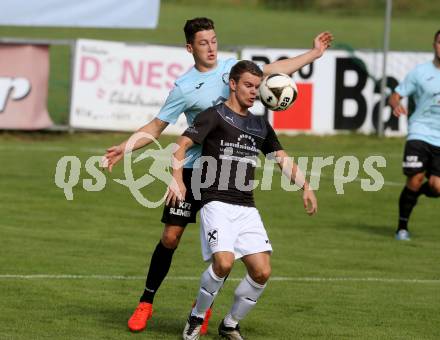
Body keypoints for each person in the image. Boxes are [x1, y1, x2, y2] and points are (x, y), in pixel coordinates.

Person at [103, 17, 332, 333]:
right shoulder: (184, 88)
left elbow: (276, 70)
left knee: (225, 255)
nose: (211, 47)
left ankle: (204, 311)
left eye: (213, 40)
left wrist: (314, 53)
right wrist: (125, 147)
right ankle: (146, 301)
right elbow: (157, 127)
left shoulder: (231, 70)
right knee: (170, 237)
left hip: (224, 177)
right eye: (203, 43)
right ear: (190, 48)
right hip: (190, 171)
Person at [166, 60, 317, 340]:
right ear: (233, 84)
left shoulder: (260, 125)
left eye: (257, 87)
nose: (253, 91)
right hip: (215, 202)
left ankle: (230, 323)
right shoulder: (215, 115)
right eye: (248, 85)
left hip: (246, 206)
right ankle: (196, 318)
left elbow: (281, 159)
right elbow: (181, 145)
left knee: (262, 272)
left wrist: (305, 185)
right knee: (223, 263)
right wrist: (176, 178)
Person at [388, 29, 440, 241]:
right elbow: (395, 95)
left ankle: (414, 193)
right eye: (439, 42)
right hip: (420, 131)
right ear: (434, 44)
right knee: (416, 178)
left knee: (436, 187)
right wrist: (396, 104)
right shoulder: (420, 72)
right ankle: (402, 228)